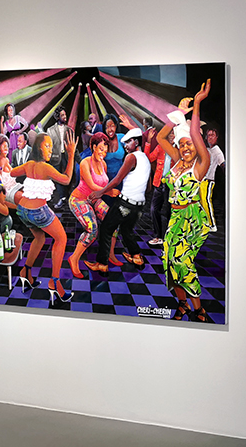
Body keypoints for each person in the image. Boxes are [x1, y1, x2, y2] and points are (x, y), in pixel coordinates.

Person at [154, 81, 215, 323]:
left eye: (189, 143)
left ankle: (198, 309)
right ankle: (182, 304)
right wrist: (178, 114)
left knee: (182, 260)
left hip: (193, 219)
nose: (185, 147)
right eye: (181, 144)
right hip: (176, 218)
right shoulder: (177, 161)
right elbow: (160, 136)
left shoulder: (201, 165)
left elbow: (196, 134)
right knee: (169, 260)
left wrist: (197, 103)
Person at [10, 129, 78, 304]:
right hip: (37, 211)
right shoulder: (45, 167)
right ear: (39, 148)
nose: (50, 150)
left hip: (23, 210)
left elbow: (12, 173)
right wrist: (71, 154)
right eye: (47, 146)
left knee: (39, 238)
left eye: (51, 146)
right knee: (61, 239)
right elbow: (66, 179)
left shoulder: (29, 165)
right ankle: (55, 282)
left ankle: (26, 272)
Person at [87, 128, 151, 271]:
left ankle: (101, 264)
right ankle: (137, 257)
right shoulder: (145, 159)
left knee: (105, 229)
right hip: (139, 205)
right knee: (127, 230)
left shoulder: (131, 157)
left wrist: (100, 192)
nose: (125, 146)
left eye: (128, 142)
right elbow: (149, 186)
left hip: (125, 203)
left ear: (136, 142)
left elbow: (117, 180)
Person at [65, 132, 118, 279]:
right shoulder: (85, 163)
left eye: (105, 151)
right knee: (92, 230)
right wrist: (109, 192)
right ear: (93, 147)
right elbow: (92, 185)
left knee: (114, 221)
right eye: (101, 149)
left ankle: (110, 254)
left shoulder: (104, 164)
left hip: (94, 199)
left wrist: (108, 191)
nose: (103, 154)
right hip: (79, 200)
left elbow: (102, 186)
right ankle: (74, 258)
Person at [46, 108, 73, 209]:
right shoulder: (50, 130)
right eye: (62, 115)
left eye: (65, 114)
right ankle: (61, 198)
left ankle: (67, 198)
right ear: (57, 117)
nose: (65, 117)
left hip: (66, 157)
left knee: (68, 178)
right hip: (55, 158)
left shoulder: (69, 130)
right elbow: (48, 145)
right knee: (57, 179)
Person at [204, 126, 226, 232]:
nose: (210, 137)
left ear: (216, 137)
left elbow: (223, 164)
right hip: (201, 180)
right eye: (208, 135)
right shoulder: (207, 149)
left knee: (206, 201)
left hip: (209, 180)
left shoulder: (217, 151)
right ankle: (204, 223)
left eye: (212, 135)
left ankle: (212, 225)